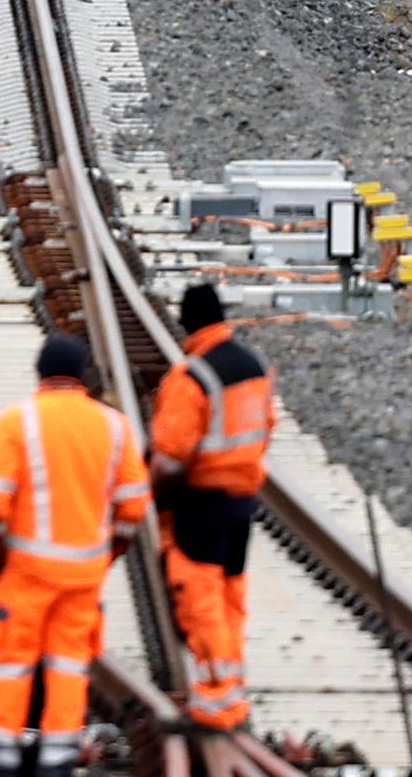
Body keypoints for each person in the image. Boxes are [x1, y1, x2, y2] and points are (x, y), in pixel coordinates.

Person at [0, 332, 148, 776]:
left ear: (40, 374)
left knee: (10, 665)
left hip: (26, 571)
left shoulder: (18, 422)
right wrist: (111, 549)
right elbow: (133, 505)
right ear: (83, 375)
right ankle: (57, 760)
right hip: (85, 574)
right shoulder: (114, 425)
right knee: (68, 669)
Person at [150, 283, 278, 734]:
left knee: (199, 600)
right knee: (230, 599)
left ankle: (216, 705)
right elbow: (266, 425)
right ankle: (233, 696)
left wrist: (152, 492)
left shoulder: (193, 377)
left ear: (188, 323)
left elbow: (172, 453)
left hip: (200, 502)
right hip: (242, 503)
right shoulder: (255, 367)